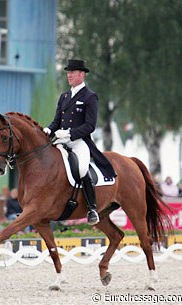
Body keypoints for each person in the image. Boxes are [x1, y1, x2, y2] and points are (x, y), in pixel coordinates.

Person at [43, 59, 116, 225]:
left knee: (82, 168)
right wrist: (48, 129)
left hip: (79, 141)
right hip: (60, 140)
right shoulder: (64, 97)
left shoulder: (90, 97)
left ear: (82, 74)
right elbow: (56, 121)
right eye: (68, 72)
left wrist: (70, 133)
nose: (69, 75)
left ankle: (92, 208)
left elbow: (90, 126)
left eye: (73, 72)